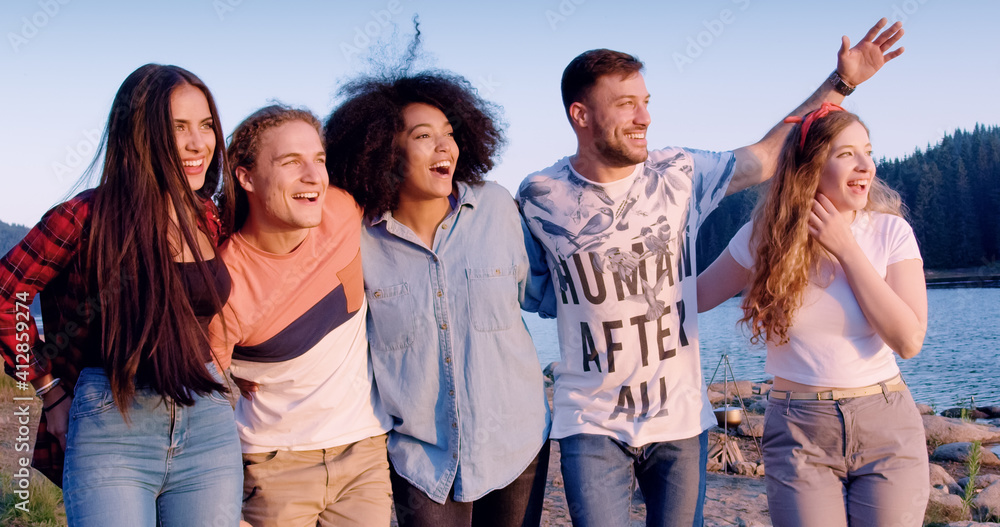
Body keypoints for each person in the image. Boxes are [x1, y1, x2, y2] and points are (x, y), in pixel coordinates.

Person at [515, 19, 904, 527]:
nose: (644, 117)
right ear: (581, 114)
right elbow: (534, 288)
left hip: (680, 421)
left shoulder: (678, 173)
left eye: (647, 101)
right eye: (627, 104)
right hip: (589, 422)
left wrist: (842, 84)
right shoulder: (539, 196)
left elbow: (767, 156)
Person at [0, 64, 243, 525]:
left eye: (206, 125)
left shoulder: (208, 217)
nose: (199, 144)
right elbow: (7, 291)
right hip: (114, 421)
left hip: (207, 420)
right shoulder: (86, 216)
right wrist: (49, 392)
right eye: (177, 128)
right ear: (140, 134)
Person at [324, 71, 552, 527]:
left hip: (517, 443)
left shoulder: (497, 208)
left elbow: (545, 293)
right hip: (420, 457)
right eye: (424, 136)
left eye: (449, 134)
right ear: (385, 150)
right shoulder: (359, 239)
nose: (444, 147)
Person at [697, 104, 929, 526]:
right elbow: (694, 297)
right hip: (798, 427)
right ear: (811, 165)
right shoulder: (763, 236)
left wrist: (846, 248)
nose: (865, 165)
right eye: (846, 154)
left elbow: (909, 340)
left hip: (886, 423)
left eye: (868, 151)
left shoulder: (890, 232)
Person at [211, 104, 394, 527]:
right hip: (274, 467)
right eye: (291, 162)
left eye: (319, 160)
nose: (314, 176)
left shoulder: (343, 210)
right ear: (246, 177)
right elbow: (205, 402)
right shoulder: (225, 282)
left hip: (364, 452)